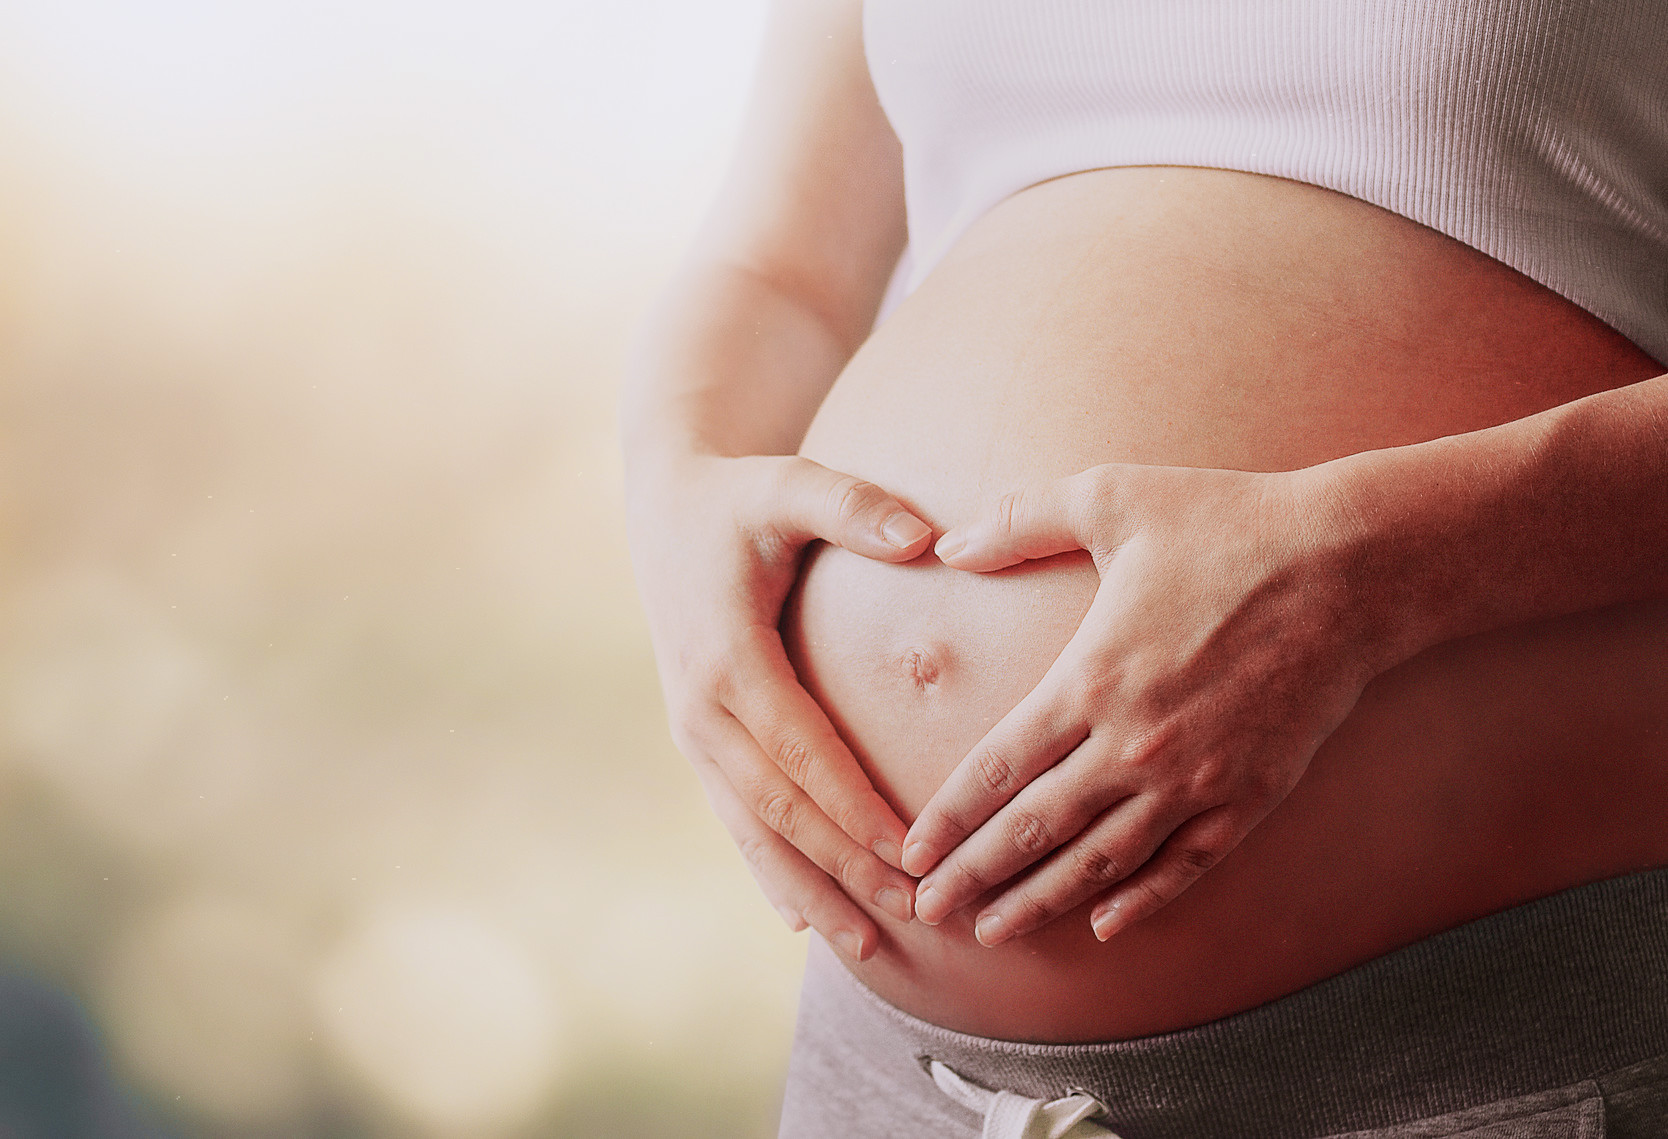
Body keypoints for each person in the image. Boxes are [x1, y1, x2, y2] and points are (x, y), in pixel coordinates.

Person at [622, 1, 1668, 1135]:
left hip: (1475, 1059)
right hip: (895, 1076)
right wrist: (674, 494)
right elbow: (779, 269)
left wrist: (1379, 568)